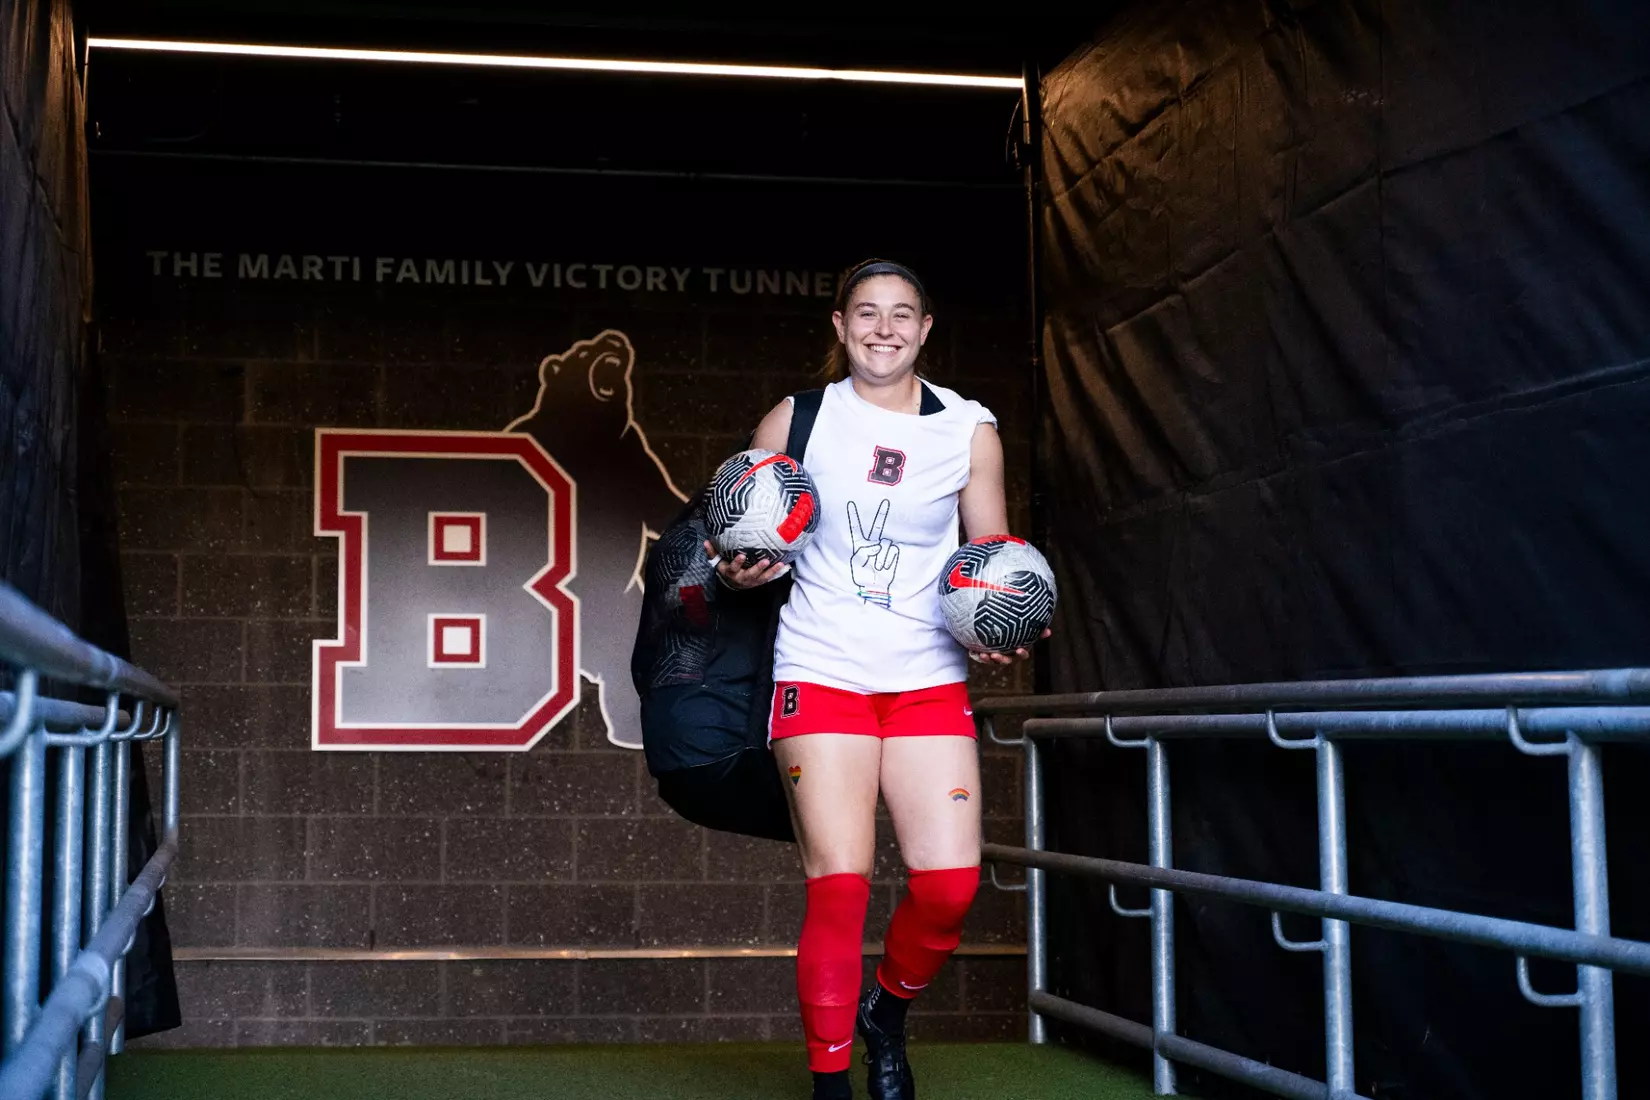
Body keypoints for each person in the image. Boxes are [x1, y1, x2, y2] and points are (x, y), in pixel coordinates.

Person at [706, 259, 1045, 1100]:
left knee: (949, 887)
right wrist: (735, 570)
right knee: (841, 881)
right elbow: (738, 528)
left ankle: (884, 1017)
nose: (883, 328)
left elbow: (989, 555)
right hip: (821, 671)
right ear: (839, 325)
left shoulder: (969, 430)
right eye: (867, 313)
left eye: (902, 315)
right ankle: (829, 1084)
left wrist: (997, 623)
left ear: (926, 329)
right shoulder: (800, 418)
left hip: (927, 677)